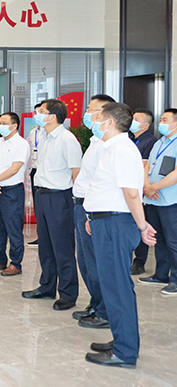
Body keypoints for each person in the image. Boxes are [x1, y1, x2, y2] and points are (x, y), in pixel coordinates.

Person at [83, 102, 156, 368]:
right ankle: (121, 340)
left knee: (117, 287)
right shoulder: (112, 148)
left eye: (98, 117)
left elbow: (131, 193)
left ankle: (125, 352)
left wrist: (142, 225)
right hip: (106, 221)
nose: (93, 121)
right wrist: (93, 217)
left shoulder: (122, 149)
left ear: (110, 122)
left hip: (116, 223)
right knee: (112, 286)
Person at [21, 99, 82, 311]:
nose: (37, 114)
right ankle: (47, 287)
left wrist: (76, 202)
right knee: (45, 245)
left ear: (52, 116)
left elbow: (76, 172)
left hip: (60, 198)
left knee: (62, 247)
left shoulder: (67, 139)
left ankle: (68, 293)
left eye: (42, 111)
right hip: (42, 195)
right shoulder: (44, 137)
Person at [70, 94, 116, 329]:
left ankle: (105, 311)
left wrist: (89, 213)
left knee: (97, 262)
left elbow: (101, 182)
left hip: (92, 210)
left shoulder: (109, 146)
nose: (87, 114)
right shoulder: (95, 141)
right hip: (81, 205)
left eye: (92, 110)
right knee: (86, 262)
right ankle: (96, 304)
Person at [0, 112, 30, 276]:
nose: (0, 125)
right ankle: (0, 259)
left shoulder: (21, 144)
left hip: (11, 191)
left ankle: (16, 263)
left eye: (3, 123)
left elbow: (15, 169)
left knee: (13, 228)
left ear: (14, 126)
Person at [139, 108, 177, 295]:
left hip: (170, 200)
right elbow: (147, 166)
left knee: (173, 241)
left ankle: (175, 280)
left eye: (165, 119)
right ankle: (161, 274)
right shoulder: (159, 142)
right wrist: (147, 186)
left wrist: (155, 187)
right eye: (161, 119)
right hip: (153, 199)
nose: (161, 123)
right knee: (159, 239)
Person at [130, 108, 159, 275]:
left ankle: (139, 262)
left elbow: (145, 167)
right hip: (130, 189)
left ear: (146, 125)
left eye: (136, 119)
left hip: (141, 191)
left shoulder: (150, 141)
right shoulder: (131, 139)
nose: (132, 121)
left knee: (141, 224)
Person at [25, 102, 46, 246]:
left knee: (45, 205)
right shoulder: (33, 133)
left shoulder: (48, 134)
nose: (37, 115)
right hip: (34, 170)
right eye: (35, 113)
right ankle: (40, 235)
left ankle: (46, 237)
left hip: (45, 171)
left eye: (40, 112)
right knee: (37, 204)